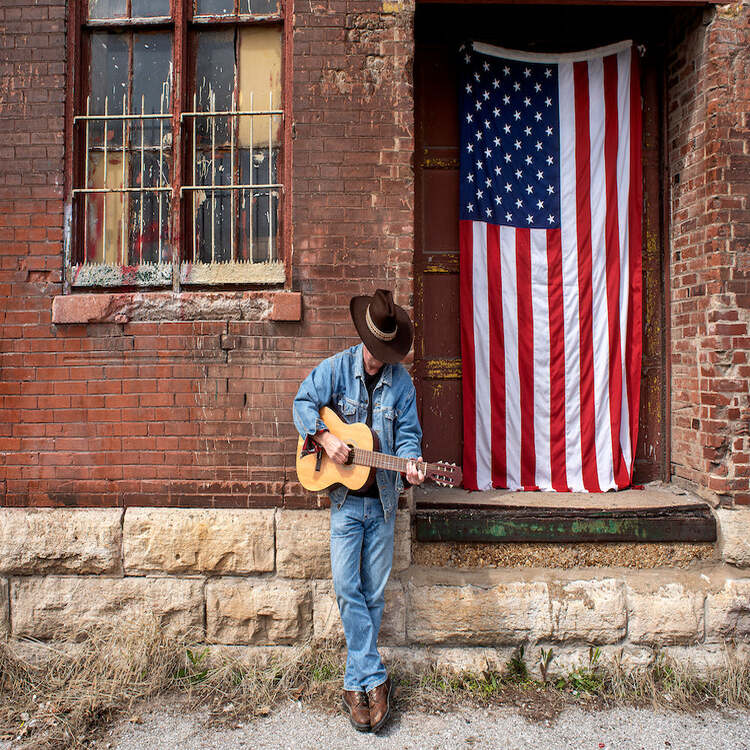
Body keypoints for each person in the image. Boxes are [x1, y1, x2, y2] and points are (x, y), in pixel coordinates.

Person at [292, 288, 425, 734]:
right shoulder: (335, 369)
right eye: (373, 349)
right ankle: (376, 679)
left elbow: (408, 437)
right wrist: (325, 439)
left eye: (384, 352)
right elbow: (302, 403)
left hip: (383, 504)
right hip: (346, 503)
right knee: (348, 588)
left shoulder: (401, 383)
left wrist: (412, 467)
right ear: (363, 339)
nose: (376, 358)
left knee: (372, 596)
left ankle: (356, 685)